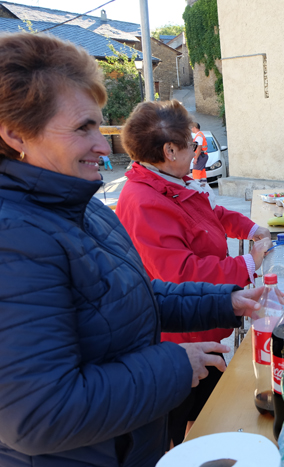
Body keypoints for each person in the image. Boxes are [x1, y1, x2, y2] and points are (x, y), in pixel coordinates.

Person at [0, 32, 264, 466]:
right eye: (83, 127)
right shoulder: (15, 239)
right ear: (16, 135)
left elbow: (136, 296)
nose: (106, 147)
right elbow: (37, 415)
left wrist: (227, 300)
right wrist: (176, 365)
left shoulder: (84, 210)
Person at [115, 100, 272, 446]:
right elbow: (181, 274)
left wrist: (252, 229)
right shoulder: (144, 200)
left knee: (212, 417)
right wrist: (247, 265)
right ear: (170, 150)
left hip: (203, 331)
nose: (198, 149)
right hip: (178, 341)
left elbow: (214, 213)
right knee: (183, 429)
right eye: (192, 142)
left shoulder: (175, 182)